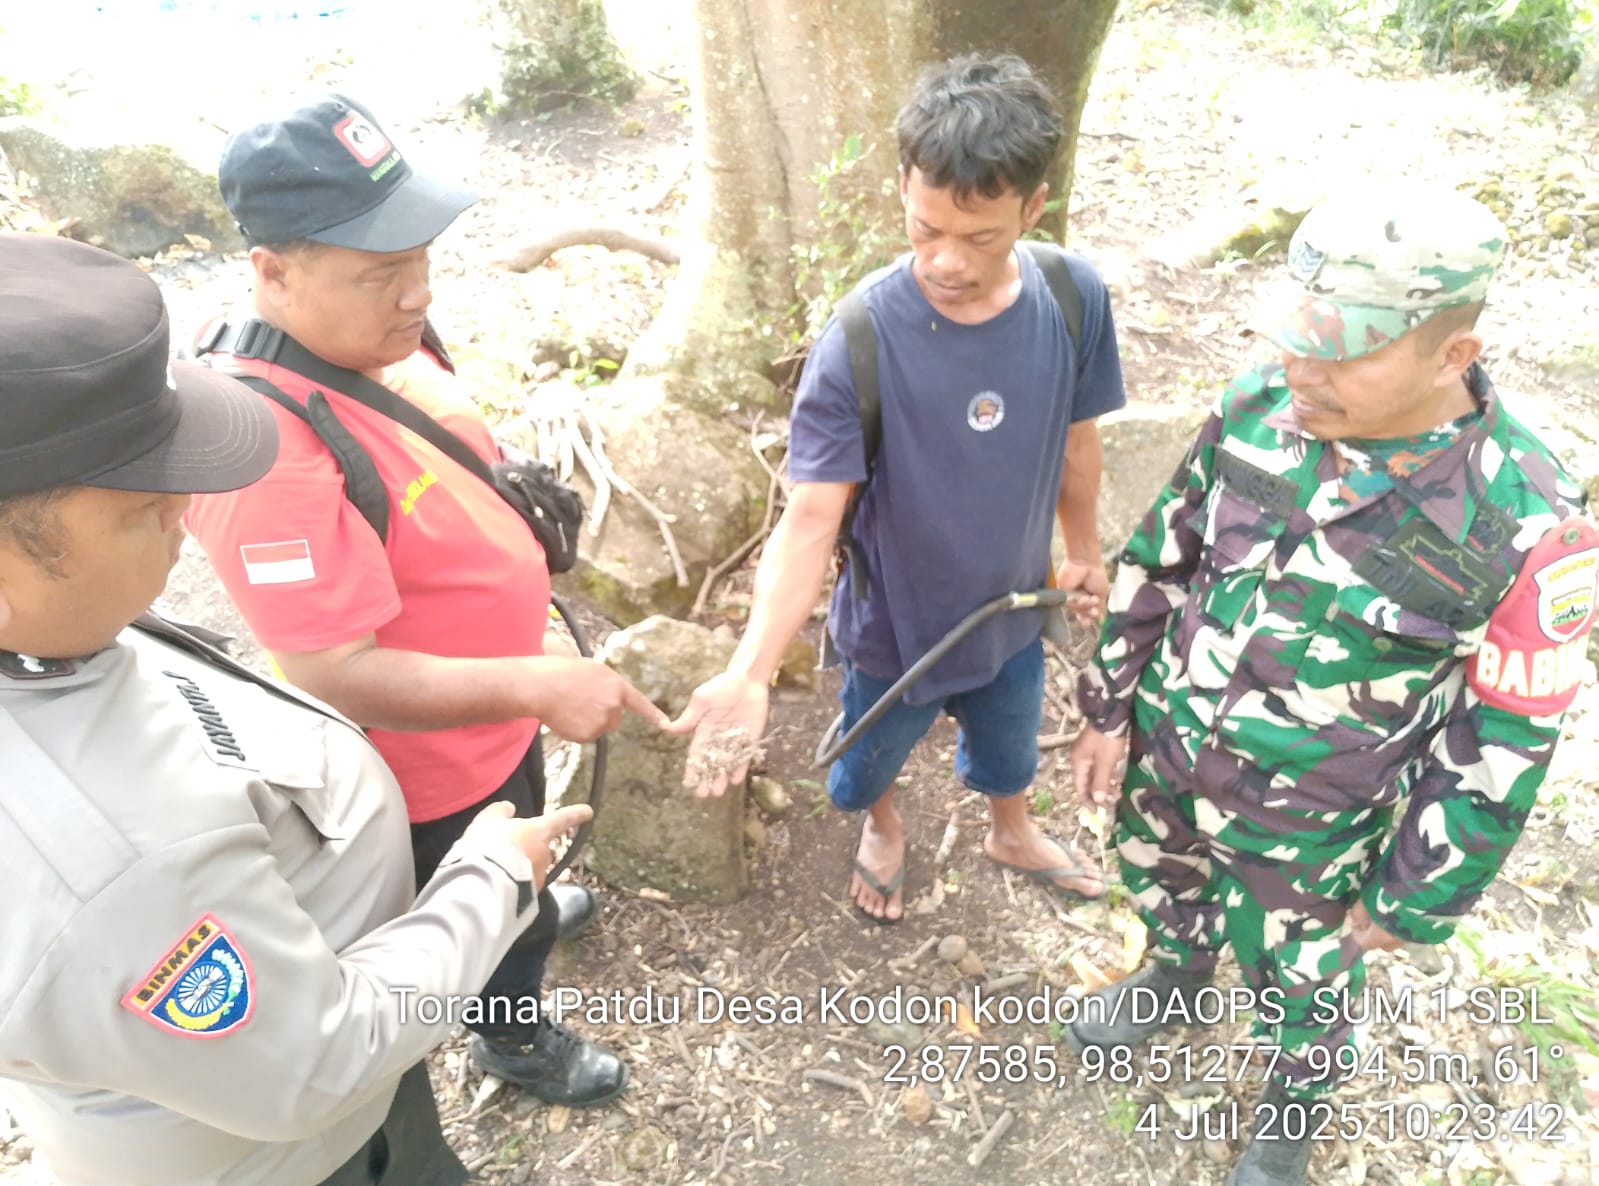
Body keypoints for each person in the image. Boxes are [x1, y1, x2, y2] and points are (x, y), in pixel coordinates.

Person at [0, 230, 596, 1186]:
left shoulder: (49, 631)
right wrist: (485, 882)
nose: (183, 510)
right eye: (141, 505)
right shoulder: (112, 871)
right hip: (307, 1154)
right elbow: (317, 1062)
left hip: (351, 992)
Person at [1067, 185, 1599, 1186]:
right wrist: (1108, 704)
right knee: (1160, 874)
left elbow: (1505, 740)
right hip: (1173, 748)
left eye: (1341, 354)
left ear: (1451, 354)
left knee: (1303, 981)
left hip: (1315, 826)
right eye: (1296, 337)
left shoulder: (1530, 521)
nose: (1298, 370)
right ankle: (1176, 972)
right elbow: (1163, 553)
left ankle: (1292, 1106)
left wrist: (1418, 895)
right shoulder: (1257, 407)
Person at [182, 94, 666, 1106]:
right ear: (274, 270)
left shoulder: (373, 334)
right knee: (473, 888)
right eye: (379, 271)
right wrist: (535, 681)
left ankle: (523, 907)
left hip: (495, 716)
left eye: (420, 257)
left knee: (517, 851)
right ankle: (510, 1031)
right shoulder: (256, 446)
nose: (417, 293)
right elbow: (332, 670)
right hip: (426, 772)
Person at [671, 54, 1128, 922]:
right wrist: (750, 669)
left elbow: (1077, 441)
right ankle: (882, 826)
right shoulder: (861, 338)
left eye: (979, 237)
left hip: (1011, 608)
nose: (945, 261)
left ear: (1033, 207)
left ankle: (1010, 828)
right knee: (867, 763)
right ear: (903, 191)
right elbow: (812, 517)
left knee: (1009, 747)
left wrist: (1083, 551)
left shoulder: (1071, 297)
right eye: (925, 229)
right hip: (894, 630)